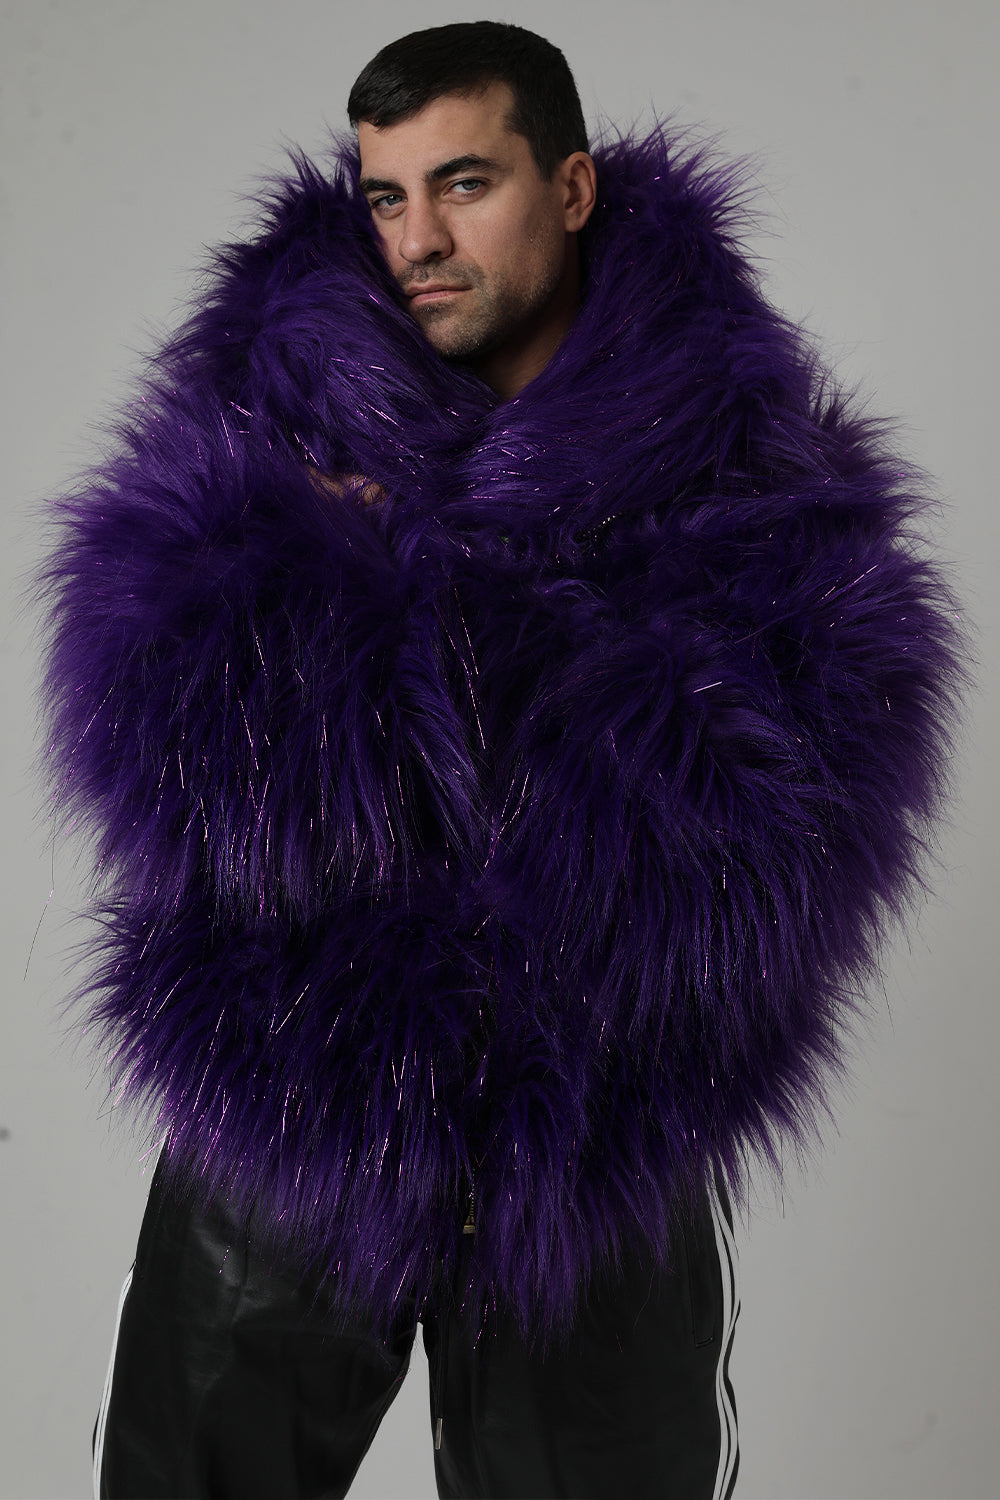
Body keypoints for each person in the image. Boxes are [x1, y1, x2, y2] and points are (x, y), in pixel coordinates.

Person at [40, 20, 962, 1500]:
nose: (418, 239)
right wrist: (346, 599)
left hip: (600, 1136)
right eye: (387, 196)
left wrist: (443, 643)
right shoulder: (267, 417)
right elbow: (152, 734)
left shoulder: (745, 455)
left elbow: (806, 797)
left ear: (572, 187)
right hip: (298, 1091)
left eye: (463, 184)